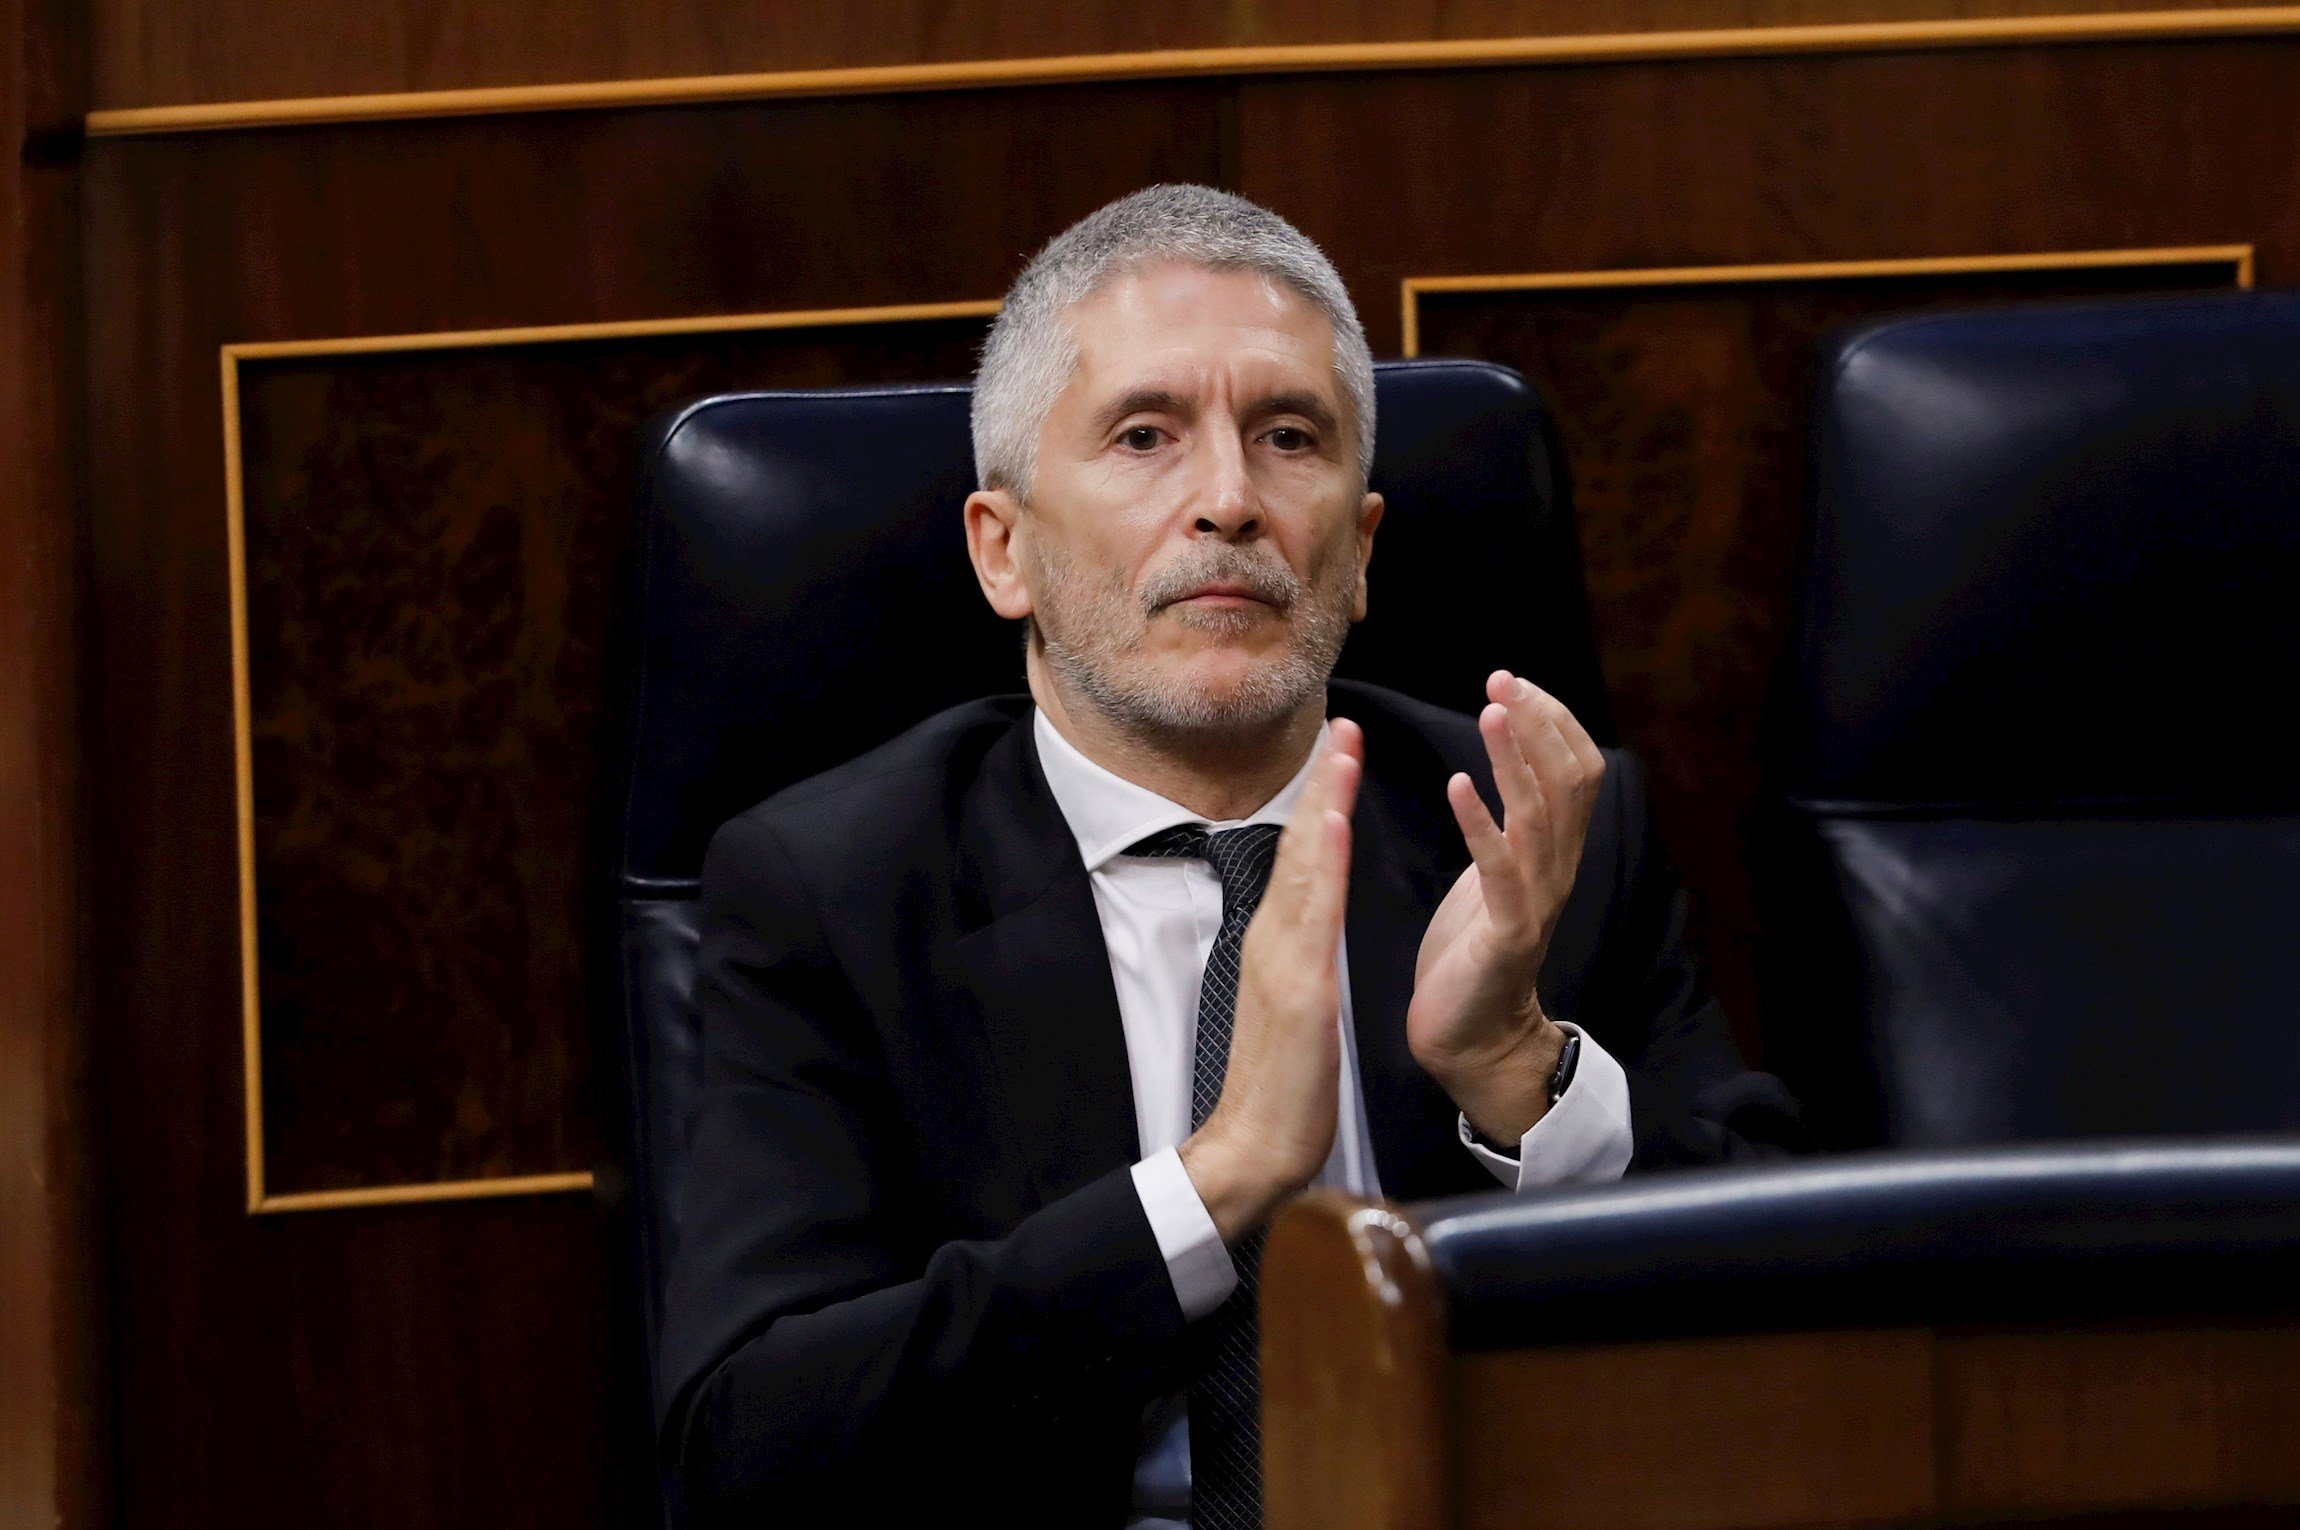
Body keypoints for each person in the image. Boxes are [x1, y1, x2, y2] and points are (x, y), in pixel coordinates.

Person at [656, 185, 1805, 1527]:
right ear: (1003, 550)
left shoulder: (1532, 836)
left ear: (1359, 552)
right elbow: (746, 1448)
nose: (1229, 501)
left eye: (1288, 437)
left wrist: (1517, 1073)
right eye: (1145, 435)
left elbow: (1809, 1330)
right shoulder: (836, 892)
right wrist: (1214, 1188)